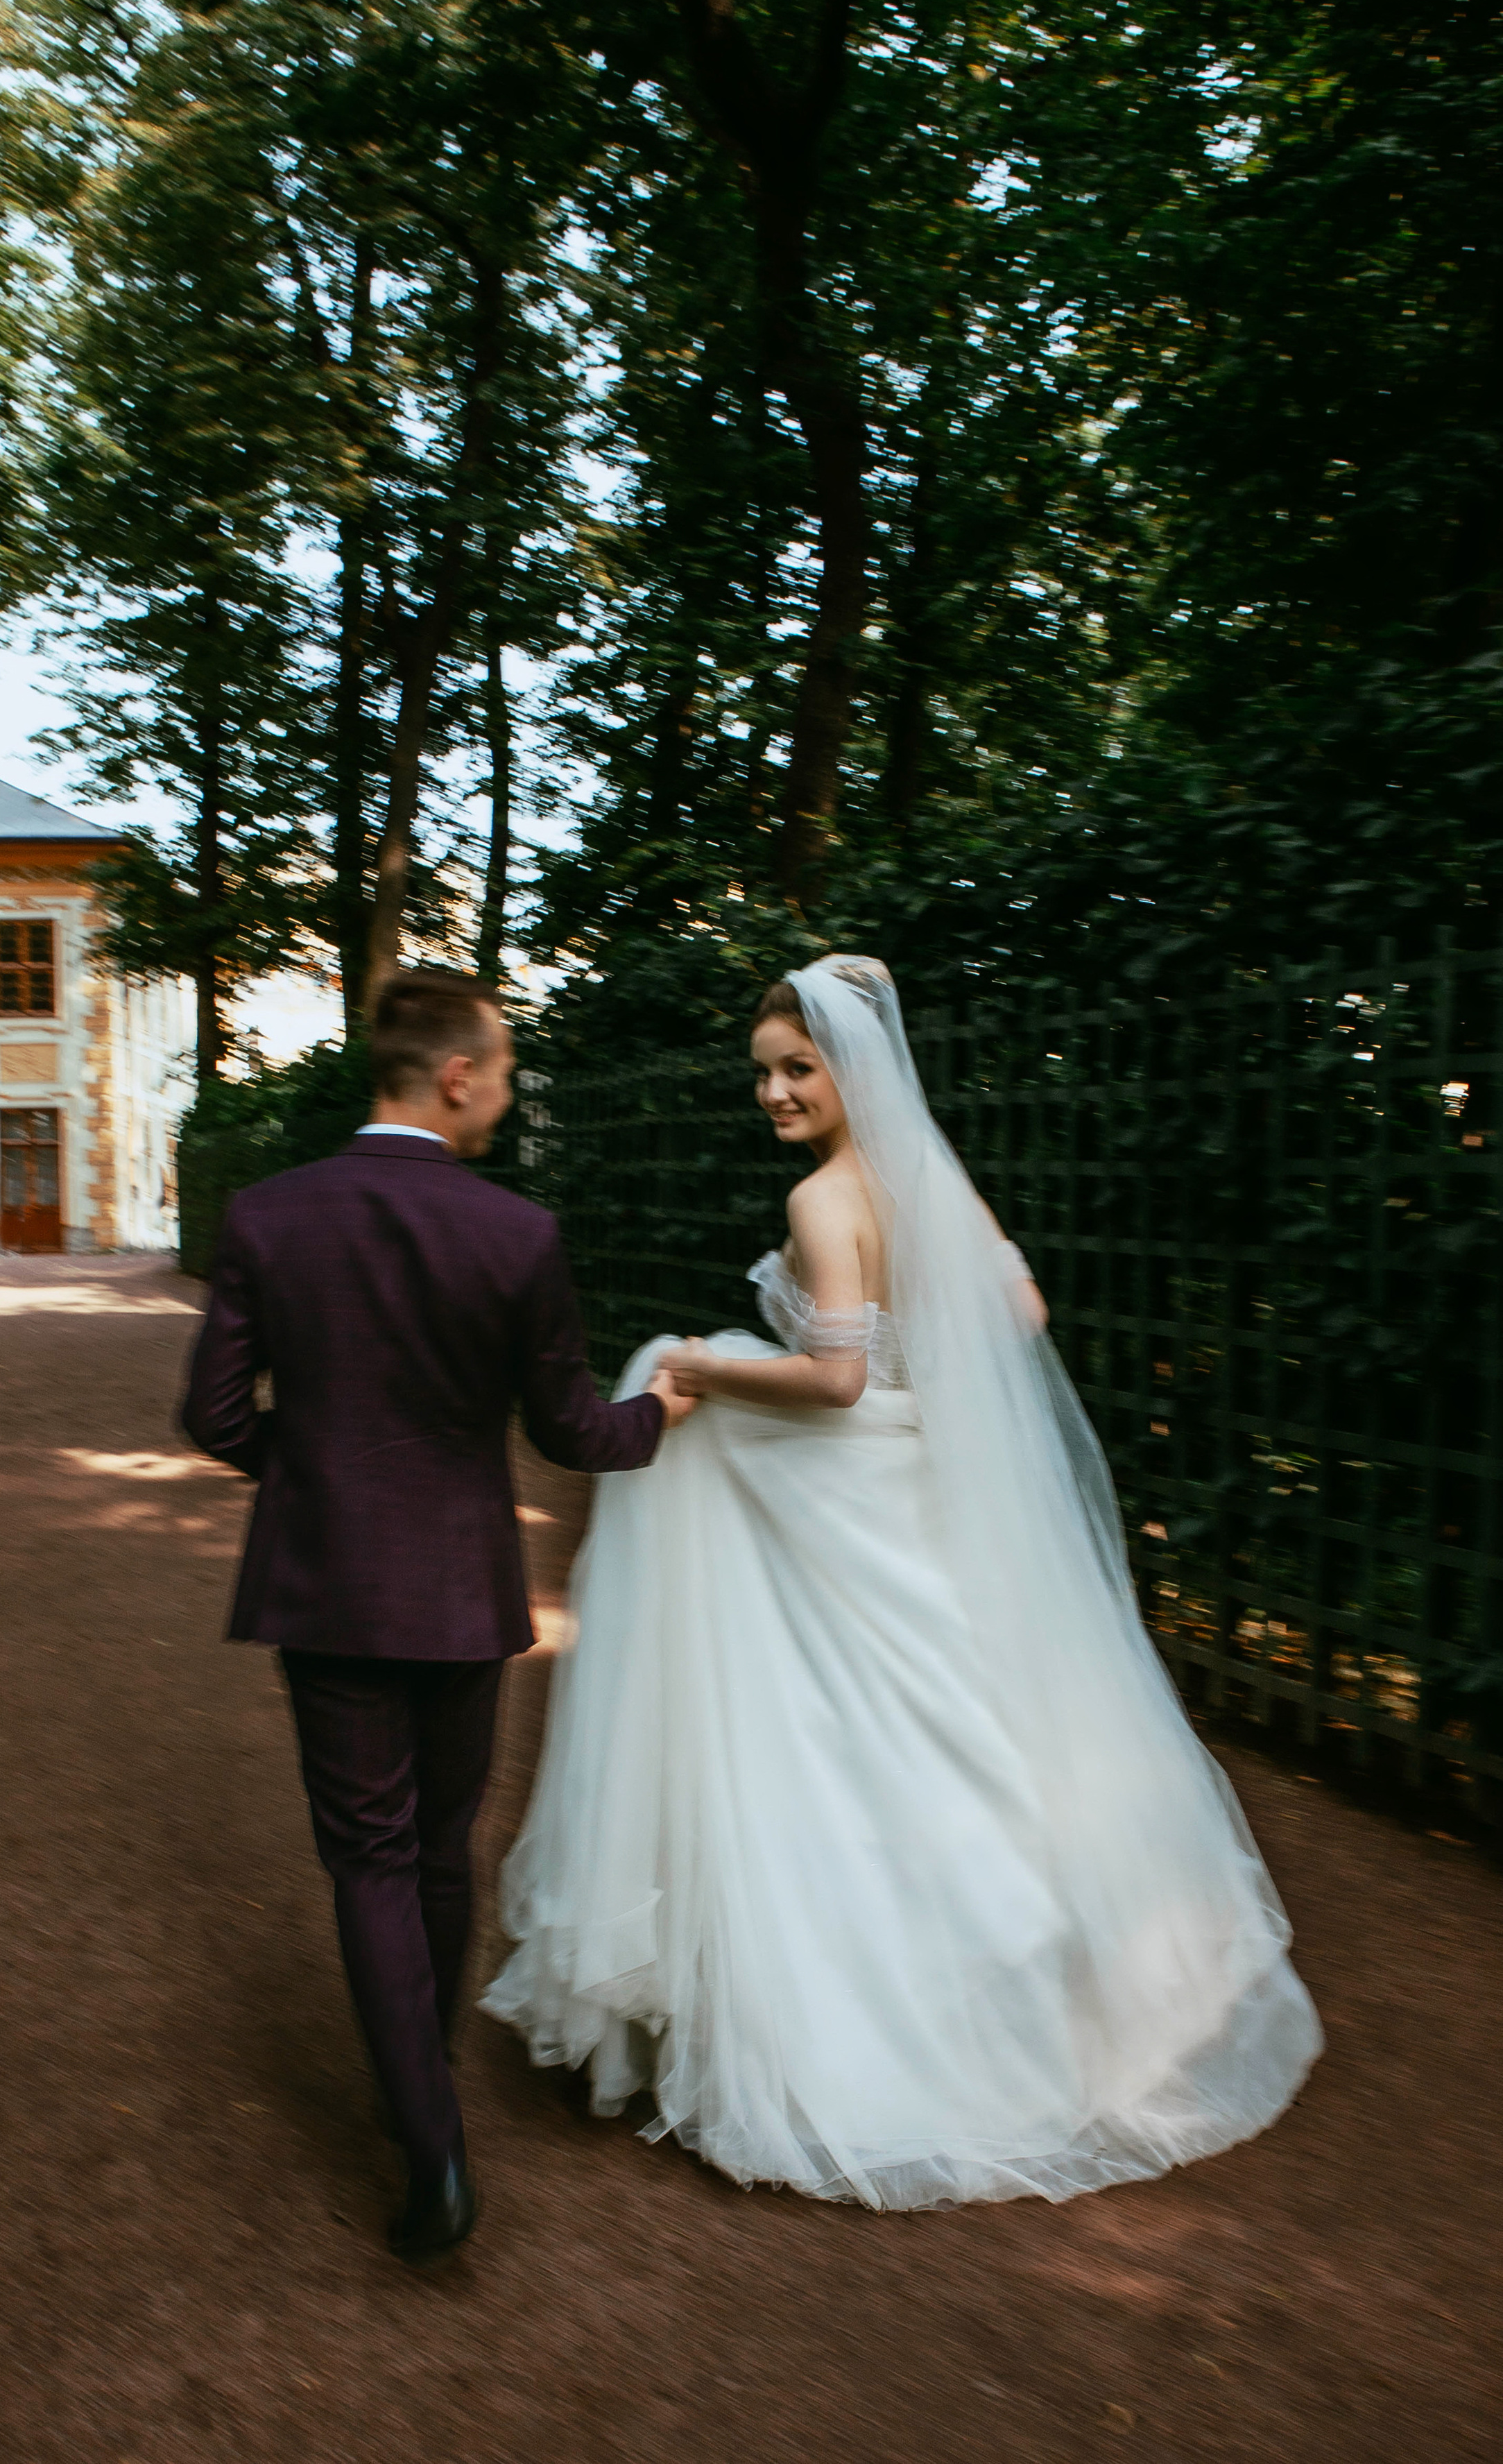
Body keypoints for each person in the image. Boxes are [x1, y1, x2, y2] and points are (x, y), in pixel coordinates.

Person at [483, 954, 1322, 2211]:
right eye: (763, 1074)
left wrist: (705, 1368)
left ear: (848, 1067)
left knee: (840, 1733)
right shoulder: (932, 1181)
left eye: (795, 1068)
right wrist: (931, 1361)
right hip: (931, 1479)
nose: (773, 1092)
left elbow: (832, 1383)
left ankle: (873, 2029)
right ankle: (1071, 1998)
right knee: (967, 1728)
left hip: (855, 1475)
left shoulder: (828, 1201)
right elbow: (1022, 1313)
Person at [182, 968, 693, 2264]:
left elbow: (215, 1413)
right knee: (441, 1851)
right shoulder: (516, 1233)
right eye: (507, 1070)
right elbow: (573, 1429)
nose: (509, 1094)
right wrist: (666, 1411)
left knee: (366, 1855)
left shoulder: (268, 1212)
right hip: (461, 1589)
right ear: (456, 1075)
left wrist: (317, 1473)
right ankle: (426, 2085)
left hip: (327, 1582)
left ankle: (430, 2141)